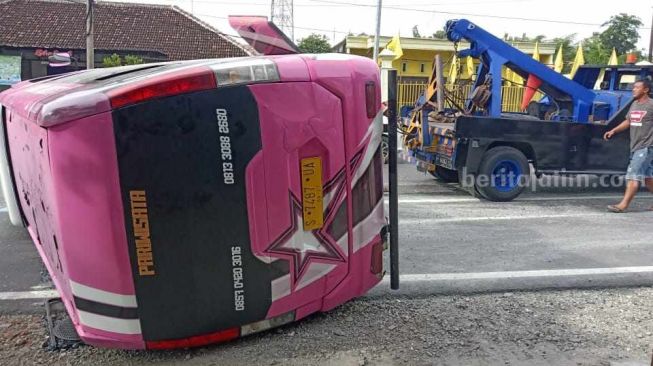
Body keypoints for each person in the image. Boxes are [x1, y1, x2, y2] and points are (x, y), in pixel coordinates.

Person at [604, 79, 653, 213]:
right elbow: (629, 121)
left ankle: (623, 205)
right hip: (636, 145)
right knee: (649, 177)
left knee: (633, 175)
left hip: (646, 147)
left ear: (646, 90)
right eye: (634, 87)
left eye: (637, 87)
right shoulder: (634, 104)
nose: (633, 89)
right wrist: (614, 130)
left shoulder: (651, 105)